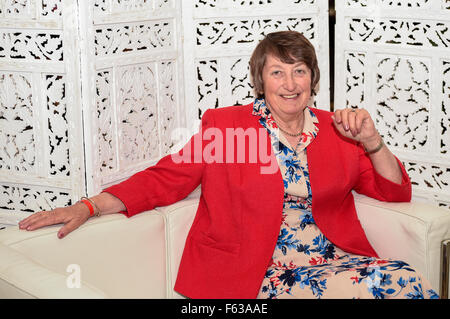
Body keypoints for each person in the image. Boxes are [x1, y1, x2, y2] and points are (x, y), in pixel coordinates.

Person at [19, 30, 438, 299]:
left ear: (313, 77)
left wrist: (372, 141)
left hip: (332, 259)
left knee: (405, 278)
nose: (290, 84)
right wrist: (88, 206)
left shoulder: (337, 129)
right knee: (394, 283)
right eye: (277, 73)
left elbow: (394, 191)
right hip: (259, 272)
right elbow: (164, 179)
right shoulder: (227, 128)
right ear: (261, 81)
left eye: (299, 70)